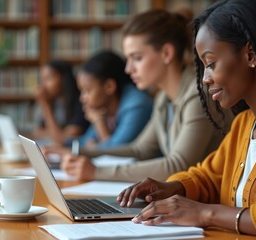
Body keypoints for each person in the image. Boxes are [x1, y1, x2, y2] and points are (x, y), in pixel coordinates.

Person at [116, 1, 256, 239]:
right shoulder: (244, 124)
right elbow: (209, 176)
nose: (205, 79)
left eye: (210, 64)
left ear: (251, 55)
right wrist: (171, 187)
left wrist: (205, 213)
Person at [57, 9, 235, 182]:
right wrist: (81, 152)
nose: (128, 69)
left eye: (137, 58)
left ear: (166, 53)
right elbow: (140, 150)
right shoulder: (163, 98)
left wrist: (96, 171)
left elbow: (178, 165)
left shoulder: (199, 94)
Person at [77, 51, 153, 149]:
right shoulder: (103, 107)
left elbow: (116, 150)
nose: (82, 98)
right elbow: (85, 142)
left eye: (87, 90)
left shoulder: (137, 105)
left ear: (109, 87)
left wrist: (99, 122)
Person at [34, 60, 89, 145]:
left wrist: (45, 105)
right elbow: (37, 132)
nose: (43, 85)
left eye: (48, 78)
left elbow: (60, 139)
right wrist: (58, 133)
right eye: (42, 80)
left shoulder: (81, 102)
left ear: (64, 78)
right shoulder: (52, 101)